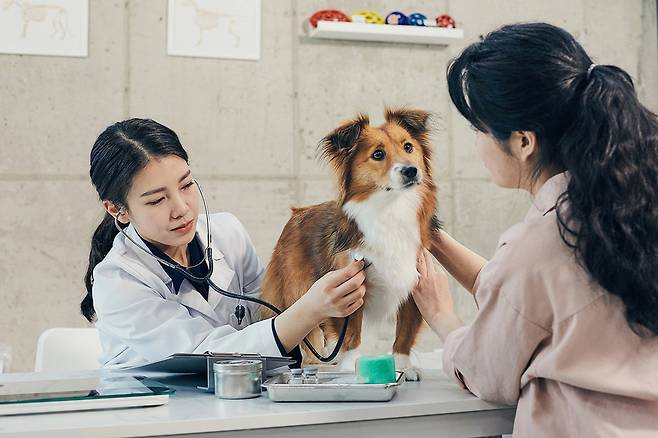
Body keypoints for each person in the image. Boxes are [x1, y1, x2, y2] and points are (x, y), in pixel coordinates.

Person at [412, 22, 658, 436]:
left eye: (479, 129)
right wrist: (432, 237)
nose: (478, 144)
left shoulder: (541, 244)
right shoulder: (629, 211)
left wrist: (442, 316)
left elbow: (487, 374)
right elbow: (534, 301)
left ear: (524, 142)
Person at [81, 118, 367, 369]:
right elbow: (203, 356)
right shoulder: (117, 281)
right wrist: (311, 309)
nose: (181, 208)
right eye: (157, 199)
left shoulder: (226, 233)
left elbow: (268, 313)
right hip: (151, 413)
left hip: (236, 401)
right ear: (117, 209)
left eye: (186, 185)